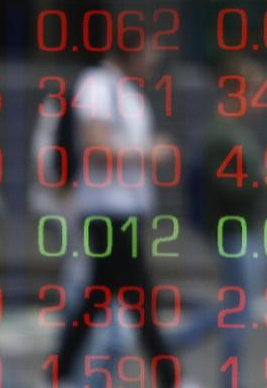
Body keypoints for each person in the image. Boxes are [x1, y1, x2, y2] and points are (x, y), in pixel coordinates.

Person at [55, 46, 178, 388]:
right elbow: (95, 144)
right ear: (133, 52)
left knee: (99, 296)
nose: (154, 61)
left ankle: (59, 372)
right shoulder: (97, 85)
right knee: (140, 294)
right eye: (149, 53)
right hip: (107, 210)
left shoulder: (125, 89)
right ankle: (168, 375)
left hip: (125, 208)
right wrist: (148, 153)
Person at [171, 56, 267, 388]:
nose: (260, 101)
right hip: (232, 231)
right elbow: (230, 185)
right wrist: (264, 178)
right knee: (239, 309)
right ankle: (181, 348)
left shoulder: (233, 131)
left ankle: (173, 344)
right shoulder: (220, 134)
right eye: (256, 92)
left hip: (243, 230)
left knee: (237, 306)